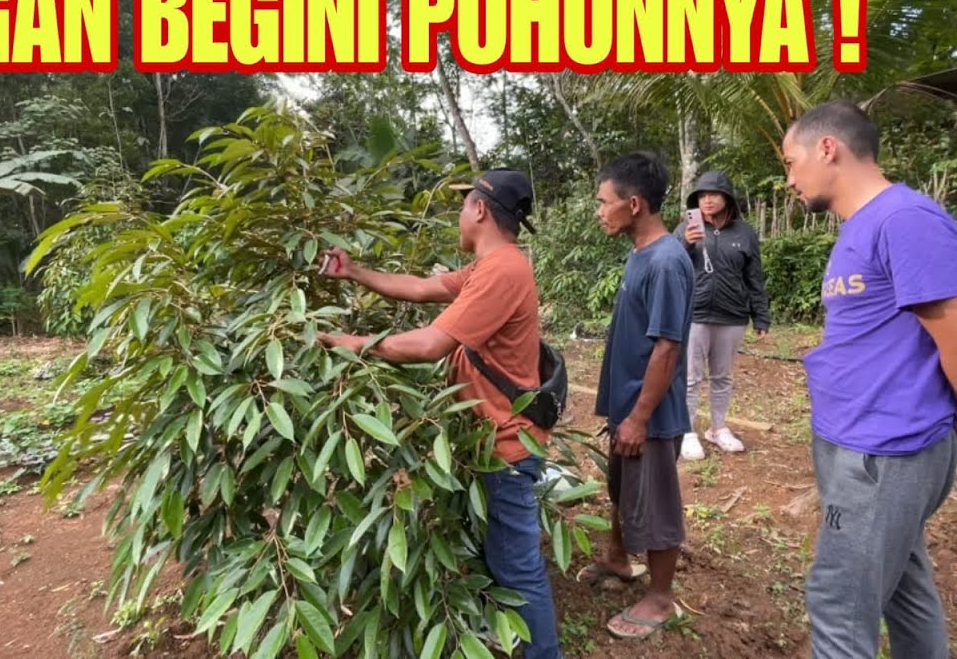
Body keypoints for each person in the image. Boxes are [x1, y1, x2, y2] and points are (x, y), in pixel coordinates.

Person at [782, 100, 957, 659]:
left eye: (792, 162)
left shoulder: (905, 220)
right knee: (906, 593)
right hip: (865, 447)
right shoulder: (865, 225)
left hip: (885, 453)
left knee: (839, 602)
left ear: (828, 148)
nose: (789, 178)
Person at [317, 168, 562, 659]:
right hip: (485, 443)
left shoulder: (503, 271)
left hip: (505, 447)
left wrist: (352, 345)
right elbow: (422, 287)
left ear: (479, 209)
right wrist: (356, 272)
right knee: (502, 558)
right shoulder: (489, 267)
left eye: (462, 203)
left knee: (517, 568)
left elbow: (431, 345)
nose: (459, 212)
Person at [584, 151, 694, 640]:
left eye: (603, 202)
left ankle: (660, 596)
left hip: (649, 412)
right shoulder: (641, 253)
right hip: (628, 404)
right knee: (622, 487)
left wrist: (640, 416)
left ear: (633, 203)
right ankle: (618, 557)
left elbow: (667, 346)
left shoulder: (668, 262)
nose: (599, 211)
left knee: (655, 500)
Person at [673, 170, 771, 459]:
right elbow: (669, 266)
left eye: (713, 194)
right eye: (702, 196)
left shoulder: (745, 233)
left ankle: (718, 428)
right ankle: (687, 432)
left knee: (722, 376)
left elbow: (755, 277)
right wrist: (686, 244)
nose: (707, 200)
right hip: (694, 312)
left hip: (732, 315)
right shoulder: (684, 229)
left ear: (727, 198)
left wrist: (761, 315)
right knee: (691, 377)